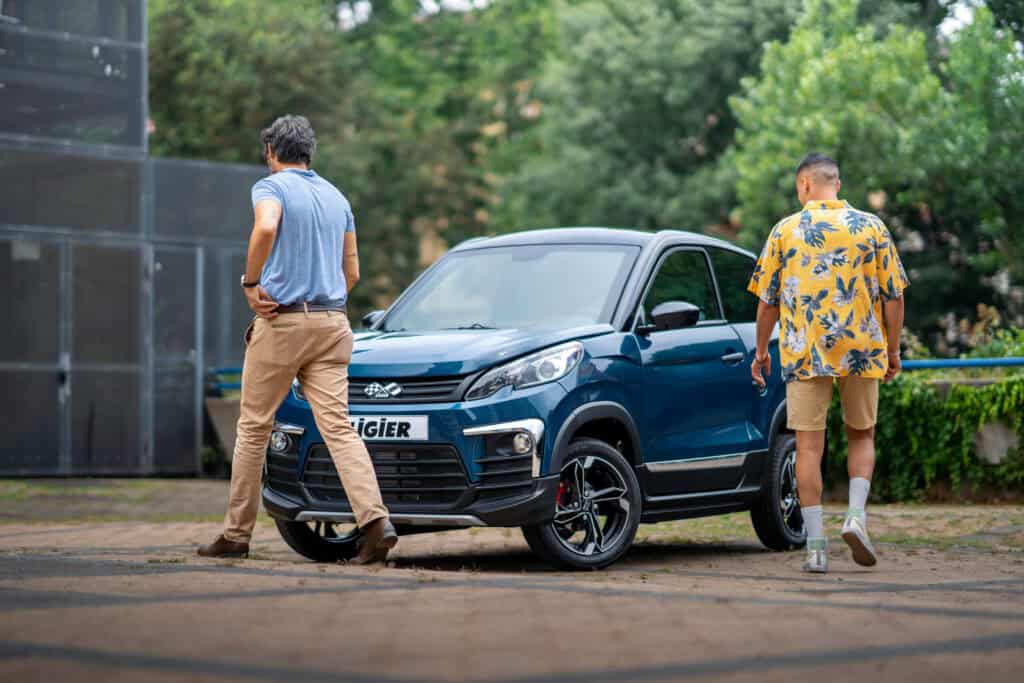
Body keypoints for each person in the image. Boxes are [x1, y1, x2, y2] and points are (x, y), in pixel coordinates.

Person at [198, 115, 397, 564]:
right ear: (309, 153)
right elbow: (353, 273)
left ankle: (235, 535)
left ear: (271, 152)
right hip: (333, 324)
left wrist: (251, 283)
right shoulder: (337, 197)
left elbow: (266, 228)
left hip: (284, 323)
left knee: (252, 428)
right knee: (339, 429)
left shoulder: (270, 188)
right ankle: (375, 521)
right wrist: (323, 301)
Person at [747, 153, 908, 573]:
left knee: (808, 447)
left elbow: (768, 303)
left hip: (805, 351)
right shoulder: (871, 227)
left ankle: (816, 548)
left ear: (804, 185)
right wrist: (892, 350)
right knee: (861, 434)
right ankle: (855, 516)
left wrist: (762, 351)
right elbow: (894, 296)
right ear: (836, 183)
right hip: (861, 347)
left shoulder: (785, 231)